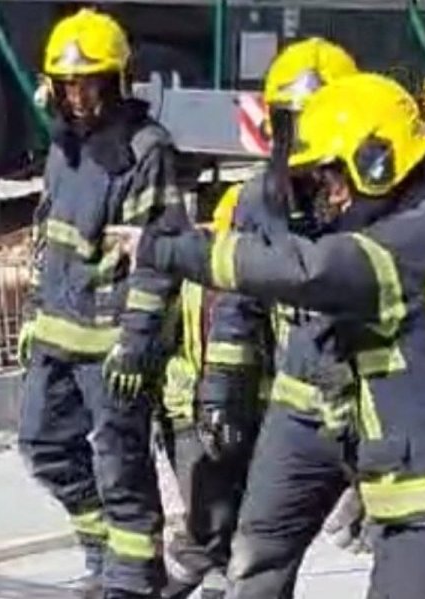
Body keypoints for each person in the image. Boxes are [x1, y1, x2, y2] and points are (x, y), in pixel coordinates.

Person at [125, 72, 425, 599]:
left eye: (333, 178)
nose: (328, 197)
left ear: (376, 161)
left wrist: (165, 248)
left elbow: (301, 271)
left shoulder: (400, 245)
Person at [15, 8, 190, 599]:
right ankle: (100, 549)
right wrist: (33, 317)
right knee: (42, 445)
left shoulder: (148, 151)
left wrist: (137, 345)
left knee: (120, 466)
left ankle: (134, 578)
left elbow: (158, 257)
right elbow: (50, 239)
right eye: (68, 85)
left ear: (117, 80)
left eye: (90, 83)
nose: (79, 97)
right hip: (56, 337)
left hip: (112, 348)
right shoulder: (64, 148)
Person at [210, 38, 370, 599]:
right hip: (297, 410)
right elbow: (238, 300)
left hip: (378, 411)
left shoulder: (381, 199)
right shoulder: (260, 200)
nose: (303, 138)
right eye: (292, 123)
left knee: (418, 562)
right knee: (256, 556)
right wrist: (222, 392)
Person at [157, 185, 265, 599]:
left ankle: (207, 582)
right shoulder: (192, 274)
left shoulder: (258, 276)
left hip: (247, 411)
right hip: (189, 413)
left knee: (228, 522)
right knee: (206, 520)